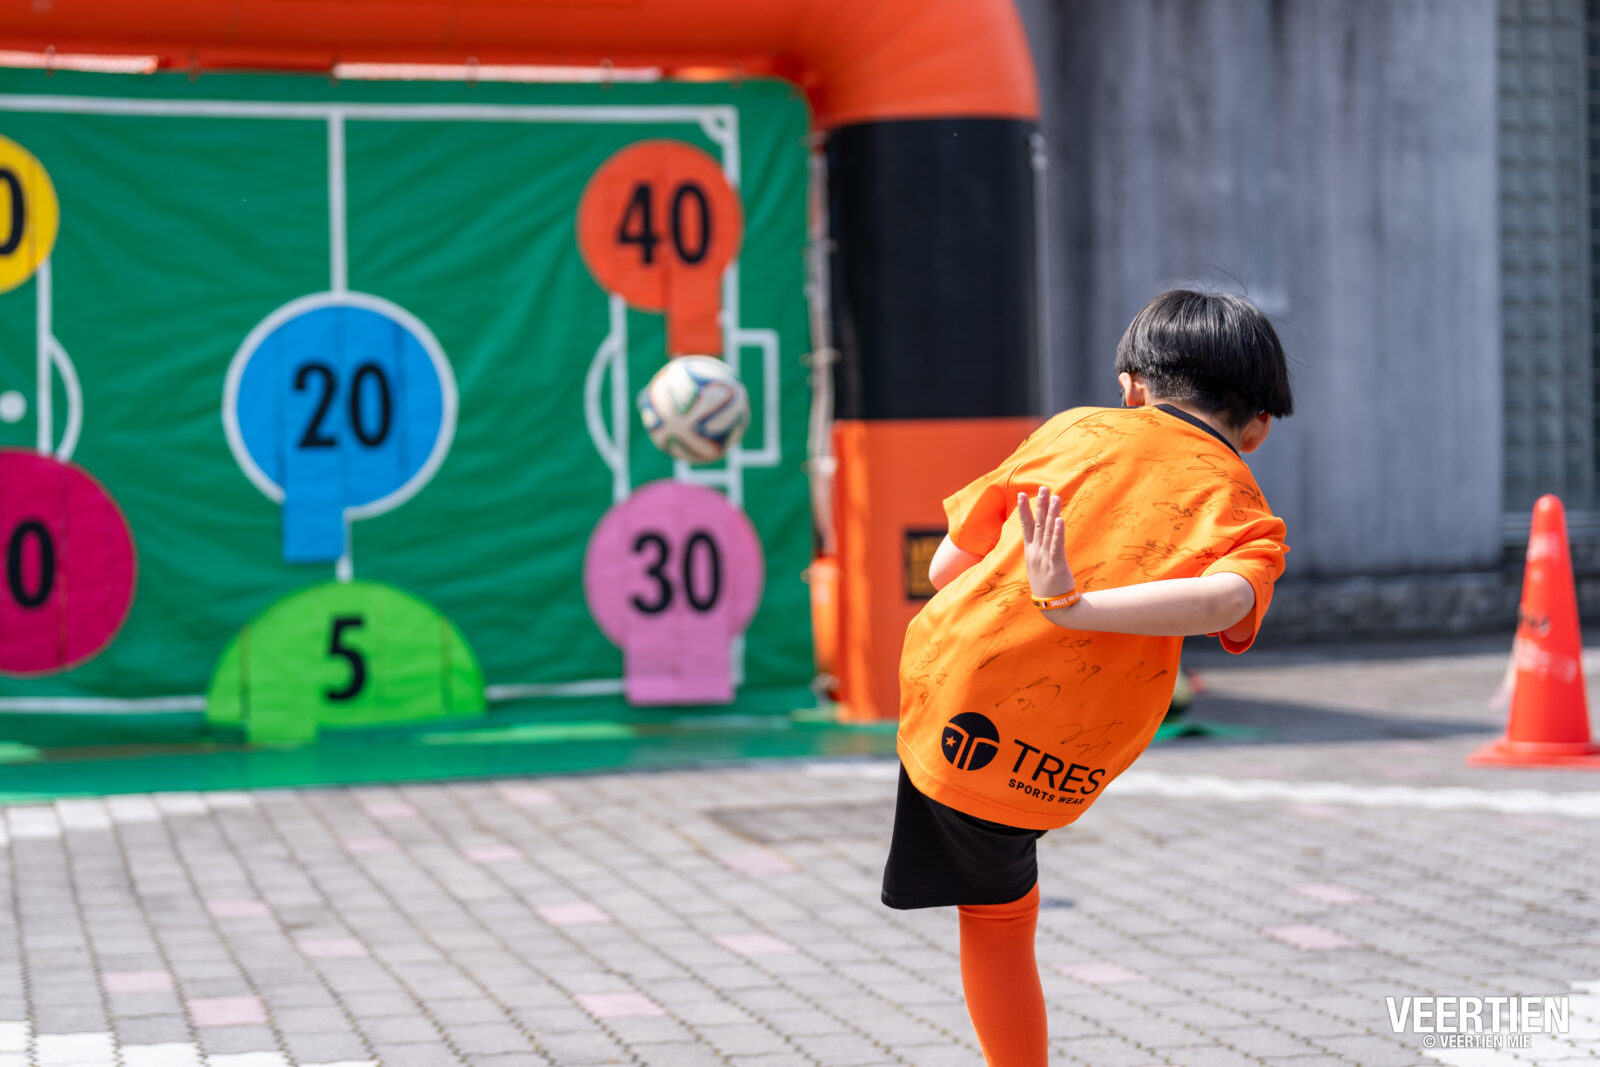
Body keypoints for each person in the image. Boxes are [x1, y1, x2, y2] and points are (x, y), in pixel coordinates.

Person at [881, 289, 1295, 1066]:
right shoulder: (1242, 502)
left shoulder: (1075, 431)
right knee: (1007, 899)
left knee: (995, 914)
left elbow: (945, 570)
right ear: (1258, 427)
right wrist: (1084, 608)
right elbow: (1228, 601)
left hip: (959, 705)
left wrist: (1064, 600)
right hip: (1075, 753)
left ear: (1132, 387)